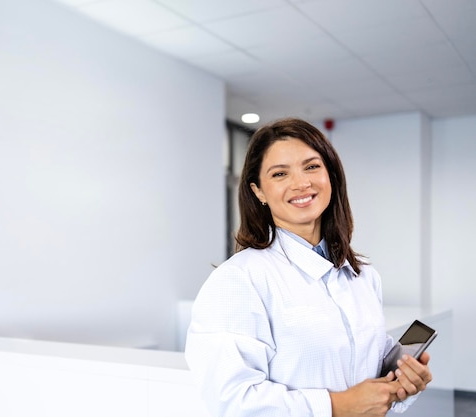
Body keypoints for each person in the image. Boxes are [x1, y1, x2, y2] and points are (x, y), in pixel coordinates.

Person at [185, 118, 432, 417]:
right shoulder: (238, 279)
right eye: (279, 173)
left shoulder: (363, 275)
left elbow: (364, 371)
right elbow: (228, 400)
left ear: (331, 175)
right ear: (258, 191)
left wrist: (400, 384)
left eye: (312, 166)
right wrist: (336, 407)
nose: (301, 183)